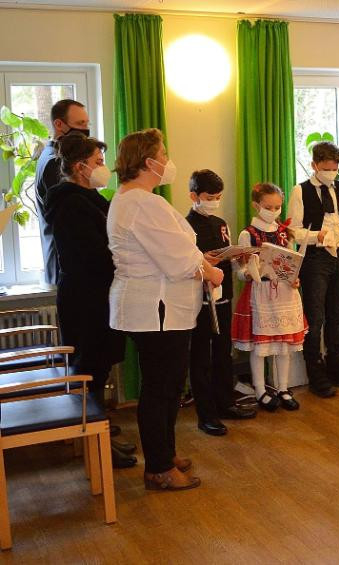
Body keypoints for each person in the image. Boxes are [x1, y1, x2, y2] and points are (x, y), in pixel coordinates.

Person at [108, 128, 223, 491]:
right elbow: (177, 260)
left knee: (169, 386)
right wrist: (210, 271)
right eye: (163, 154)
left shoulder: (133, 199)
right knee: (160, 388)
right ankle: (158, 467)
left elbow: (173, 250)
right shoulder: (142, 202)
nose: (168, 161)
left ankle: (165, 454)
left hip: (156, 307)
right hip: (156, 309)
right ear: (148, 162)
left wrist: (199, 261)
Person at [42, 133, 135, 469]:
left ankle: (101, 433)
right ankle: (96, 445)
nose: (103, 167)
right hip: (86, 298)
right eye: (98, 161)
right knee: (89, 369)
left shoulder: (92, 198)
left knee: (100, 366)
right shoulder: (69, 203)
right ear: (80, 167)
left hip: (100, 295)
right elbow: (94, 255)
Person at [288, 142, 339, 396]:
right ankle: (315, 371)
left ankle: (337, 365)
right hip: (316, 258)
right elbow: (293, 231)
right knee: (316, 315)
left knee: (338, 314)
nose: (331, 173)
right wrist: (315, 236)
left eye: (334, 169)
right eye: (326, 168)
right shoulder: (301, 191)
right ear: (314, 165)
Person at [186, 170, 257, 436]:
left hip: (223, 294)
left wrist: (238, 257)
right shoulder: (185, 226)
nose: (214, 202)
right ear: (194, 196)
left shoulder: (220, 223)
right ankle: (206, 414)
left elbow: (227, 256)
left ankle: (226, 402)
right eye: (209, 197)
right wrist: (204, 260)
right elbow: (187, 262)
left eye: (218, 197)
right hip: (200, 300)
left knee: (223, 351)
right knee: (201, 357)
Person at [232, 183, 307, 411]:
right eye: (268, 207)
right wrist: (249, 273)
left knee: (284, 344)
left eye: (277, 207)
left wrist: (295, 278)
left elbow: (292, 261)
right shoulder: (247, 234)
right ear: (256, 205)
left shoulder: (285, 232)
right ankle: (260, 390)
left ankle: (283, 388)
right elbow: (239, 270)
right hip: (261, 293)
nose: (273, 211)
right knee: (260, 347)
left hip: (285, 293)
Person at [34, 99, 91, 286]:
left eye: (87, 124)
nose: (85, 130)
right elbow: (69, 215)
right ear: (59, 124)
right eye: (80, 124)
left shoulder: (54, 157)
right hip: (64, 263)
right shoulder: (54, 162)